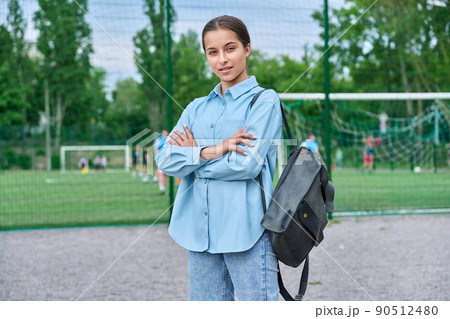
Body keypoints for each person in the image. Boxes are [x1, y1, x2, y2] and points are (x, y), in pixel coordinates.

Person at [155, 15, 281, 301]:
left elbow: (246, 164)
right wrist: (215, 150)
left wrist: (192, 160)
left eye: (230, 48)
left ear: (247, 49)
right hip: (199, 235)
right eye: (213, 52)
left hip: (247, 233)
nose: (222, 59)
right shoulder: (196, 108)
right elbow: (164, 159)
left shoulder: (264, 101)